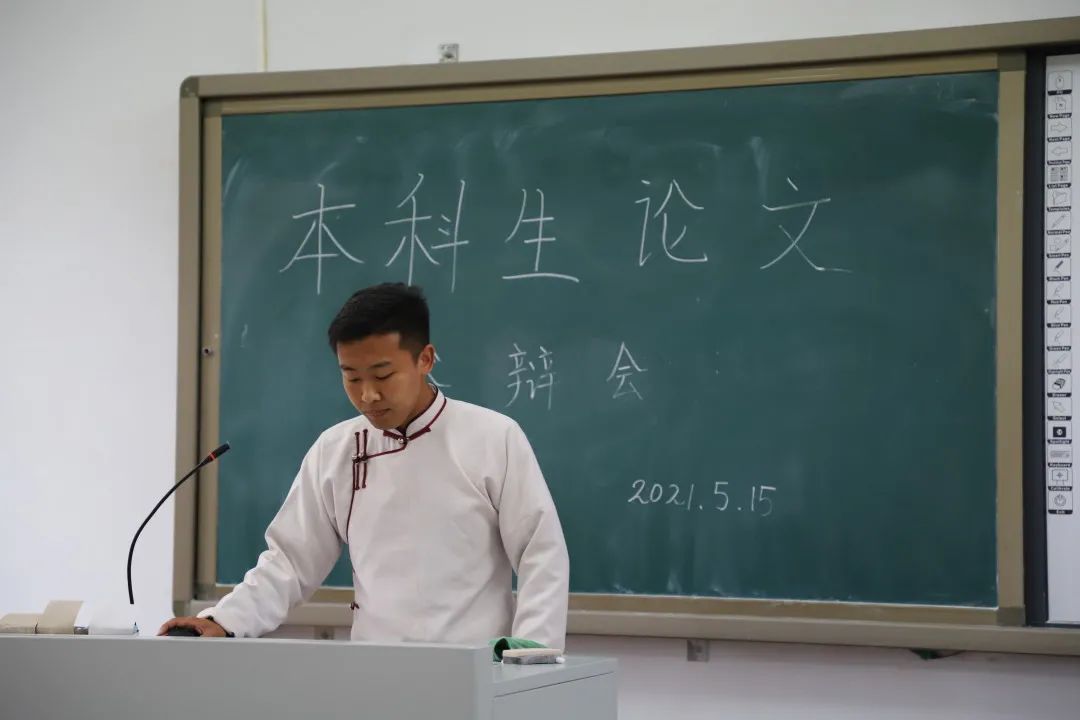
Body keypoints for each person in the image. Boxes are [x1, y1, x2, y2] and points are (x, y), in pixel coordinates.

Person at [160, 283, 570, 647]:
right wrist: (223, 621)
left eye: (383, 375)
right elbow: (291, 561)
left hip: (476, 672)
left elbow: (541, 552)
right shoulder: (336, 450)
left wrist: (529, 656)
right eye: (352, 378)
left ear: (425, 359)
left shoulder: (493, 437)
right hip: (375, 671)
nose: (368, 395)